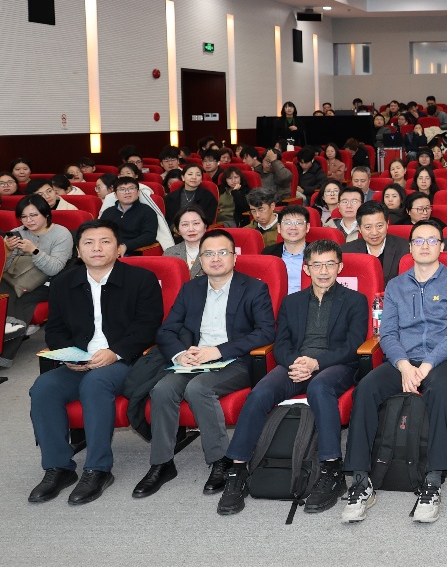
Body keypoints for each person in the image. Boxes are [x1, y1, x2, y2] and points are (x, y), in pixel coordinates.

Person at [216, 240, 368, 516]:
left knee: (320, 388)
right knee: (260, 393)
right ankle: (238, 469)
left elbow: (353, 345)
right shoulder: (292, 301)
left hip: (335, 365)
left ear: (340, 267)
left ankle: (331, 469)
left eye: (330, 264)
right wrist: (296, 363)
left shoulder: (355, 301)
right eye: (317, 265)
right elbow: (282, 344)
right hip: (296, 364)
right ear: (306, 269)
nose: (323, 271)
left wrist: (316, 363)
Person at [340, 221, 447, 523]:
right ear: (410, 247)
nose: (425, 246)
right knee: (366, 388)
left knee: (440, 391)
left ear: (442, 246)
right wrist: (403, 365)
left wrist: (425, 366)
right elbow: (388, 334)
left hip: (442, 360)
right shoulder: (397, 285)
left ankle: (433, 479)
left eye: (432, 240)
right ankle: (360, 479)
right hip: (402, 360)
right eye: (418, 241)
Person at [27, 220, 164, 506]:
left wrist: (115, 352)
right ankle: (58, 467)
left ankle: (98, 469)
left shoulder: (142, 280)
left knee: (96, 383)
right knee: (44, 387)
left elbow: (148, 326)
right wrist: (69, 355)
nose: (97, 248)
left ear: (119, 248)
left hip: (127, 361)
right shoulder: (64, 283)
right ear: (78, 251)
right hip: (80, 361)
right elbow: (55, 329)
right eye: (88, 243)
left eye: (105, 241)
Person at [135, 229, 276, 498]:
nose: (215, 259)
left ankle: (221, 460)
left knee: (199, 389)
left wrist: (218, 351)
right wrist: (180, 354)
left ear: (234, 257)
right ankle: (162, 463)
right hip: (193, 360)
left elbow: (266, 332)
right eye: (208, 254)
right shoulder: (191, 289)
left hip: (236, 361)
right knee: (162, 389)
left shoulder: (254, 288)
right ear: (200, 259)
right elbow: (166, 331)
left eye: (222, 252)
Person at [0, 195, 74, 367]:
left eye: (34, 215)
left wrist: (34, 250)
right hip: (15, 280)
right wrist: (7, 251)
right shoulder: (17, 232)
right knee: (4, 292)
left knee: (19, 300)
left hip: (48, 282)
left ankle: (5, 349)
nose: (29, 221)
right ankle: (11, 326)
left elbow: (55, 268)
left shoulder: (61, 234)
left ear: (46, 214)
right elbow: (3, 269)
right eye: (24, 217)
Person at [343, 200, 411, 278]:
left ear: (387, 224)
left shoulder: (406, 248)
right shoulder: (346, 252)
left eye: (379, 226)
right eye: (368, 227)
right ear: (359, 228)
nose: (374, 233)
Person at [100, 176, 159, 255]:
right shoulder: (108, 212)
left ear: (138, 192)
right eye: (122, 189)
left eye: (131, 188)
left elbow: (149, 236)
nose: (127, 192)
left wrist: (126, 246)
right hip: (108, 250)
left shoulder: (147, 211)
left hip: (133, 251)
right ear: (115, 195)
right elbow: (100, 232)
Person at [262, 205, 312, 293]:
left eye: (299, 223)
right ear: (279, 228)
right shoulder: (268, 253)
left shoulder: (318, 254)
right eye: (287, 223)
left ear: (307, 227)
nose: (293, 228)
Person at [165, 205, 209, 278]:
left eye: (196, 223)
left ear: (205, 226)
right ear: (177, 230)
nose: (191, 229)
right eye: (185, 224)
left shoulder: (216, 251)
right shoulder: (170, 253)